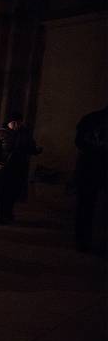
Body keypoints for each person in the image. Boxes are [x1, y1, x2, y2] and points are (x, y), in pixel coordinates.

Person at [0, 112, 40, 225]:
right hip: (2, 168)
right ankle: (1, 215)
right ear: (10, 122)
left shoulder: (24, 134)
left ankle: (8, 213)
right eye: (15, 122)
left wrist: (36, 150)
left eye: (19, 122)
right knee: (2, 193)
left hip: (18, 168)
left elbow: (30, 147)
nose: (18, 124)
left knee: (13, 192)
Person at [73, 106, 107, 252]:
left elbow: (79, 142)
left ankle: (83, 239)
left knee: (85, 206)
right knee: (87, 206)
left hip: (89, 168)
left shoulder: (90, 118)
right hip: (94, 168)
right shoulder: (91, 119)